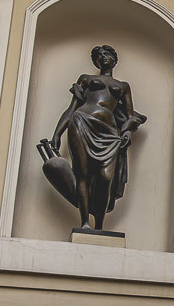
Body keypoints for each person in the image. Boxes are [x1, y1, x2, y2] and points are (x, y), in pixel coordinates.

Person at [49, 45, 146, 231]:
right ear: (96, 61)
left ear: (114, 59)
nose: (103, 57)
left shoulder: (123, 86)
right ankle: (85, 223)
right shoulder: (86, 79)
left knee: (106, 178)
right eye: (99, 55)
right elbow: (72, 109)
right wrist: (57, 133)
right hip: (82, 122)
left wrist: (126, 131)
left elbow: (130, 115)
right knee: (82, 175)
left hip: (109, 133)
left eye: (107, 54)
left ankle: (99, 226)